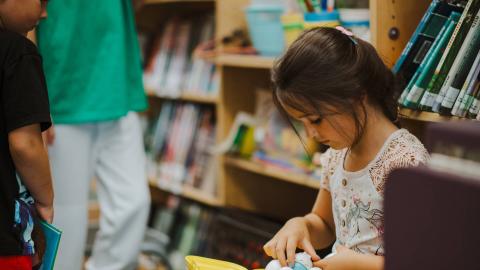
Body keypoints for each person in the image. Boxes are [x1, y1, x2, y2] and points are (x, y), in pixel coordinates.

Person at [263, 27, 430, 270]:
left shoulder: (404, 162)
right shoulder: (336, 156)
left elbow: (424, 260)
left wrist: (360, 264)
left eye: (316, 119)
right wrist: (302, 225)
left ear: (356, 95)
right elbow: (325, 224)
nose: (311, 133)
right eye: (303, 123)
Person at [36, 1, 150, 269]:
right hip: (62, 90)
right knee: (65, 223)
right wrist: (36, 97)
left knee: (133, 205)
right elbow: (24, 14)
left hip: (115, 83)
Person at [0, 0, 53, 269]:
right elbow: (25, 144)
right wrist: (45, 199)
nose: (44, 12)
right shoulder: (18, 52)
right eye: (41, 1)